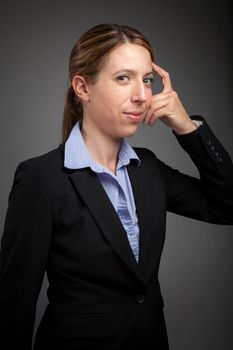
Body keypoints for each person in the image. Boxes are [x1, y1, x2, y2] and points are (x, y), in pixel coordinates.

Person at [0, 23, 232, 350]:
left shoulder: (147, 168)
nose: (141, 95)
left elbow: (227, 207)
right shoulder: (41, 178)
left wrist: (187, 128)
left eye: (146, 80)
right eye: (124, 78)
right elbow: (14, 305)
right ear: (82, 87)